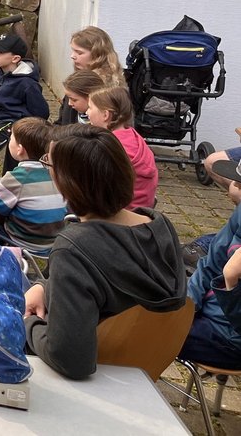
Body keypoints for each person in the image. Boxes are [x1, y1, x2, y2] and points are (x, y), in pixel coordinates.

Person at [24, 125, 186, 380]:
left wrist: (28, 323)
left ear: (69, 181)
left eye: (49, 165)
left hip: (91, 378)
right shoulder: (159, 225)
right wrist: (45, 286)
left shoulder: (73, 249)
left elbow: (70, 360)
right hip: (140, 371)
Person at [182, 157, 241, 369]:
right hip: (207, 315)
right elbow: (209, 263)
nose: (233, 186)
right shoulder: (239, 214)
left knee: (141, 331)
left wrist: (231, 280)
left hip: (227, 339)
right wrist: (188, 307)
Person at [0, 31, 49, 170]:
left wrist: (21, 126)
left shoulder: (28, 84)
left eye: (0, 52)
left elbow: (41, 113)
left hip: (10, 122)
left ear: (15, 58)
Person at [0, 117, 67, 249]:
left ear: (20, 149)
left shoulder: (17, 178)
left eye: (11, 136)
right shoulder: (58, 173)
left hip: (23, 242)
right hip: (54, 242)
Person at [87, 85, 158, 210]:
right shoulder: (134, 137)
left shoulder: (109, 146)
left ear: (105, 115)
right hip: (144, 209)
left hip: (118, 214)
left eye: (90, 108)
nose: (87, 112)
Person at [57, 26, 124, 124]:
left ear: (97, 55)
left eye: (79, 52)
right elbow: (62, 120)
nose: (72, 56)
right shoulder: (76, 81)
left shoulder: (110, 91)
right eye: (73, 50)